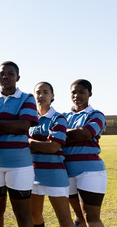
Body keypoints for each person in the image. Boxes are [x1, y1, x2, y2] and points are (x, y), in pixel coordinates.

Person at [0, 61, 39, 227]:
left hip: (19, 164)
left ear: (17, 77)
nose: (5, 77)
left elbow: (23, 127)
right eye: (2, 73)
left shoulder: (27, 98)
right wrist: (11, 124)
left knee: (23, 214)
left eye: (10, 74)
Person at [28, 82, 74, 227]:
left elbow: (53, 147)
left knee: (64, 218)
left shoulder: (58, 118)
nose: (41, 95)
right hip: (33, 174)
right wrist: (42, 144)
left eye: (45, 92)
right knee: (34, 216)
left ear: (52, 96)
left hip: (55, 174)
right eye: (38, 92)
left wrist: (29, 142)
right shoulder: (29, 119)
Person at [63, 79, 107, 227]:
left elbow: (85, 134)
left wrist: (60, 133)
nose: (77, 95)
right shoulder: (64, 116)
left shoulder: (96, 114)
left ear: (90, 94)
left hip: (90, 172)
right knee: (79, 217)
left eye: (82, 92)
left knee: (91, 218)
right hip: (68, 172)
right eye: (74, 92)